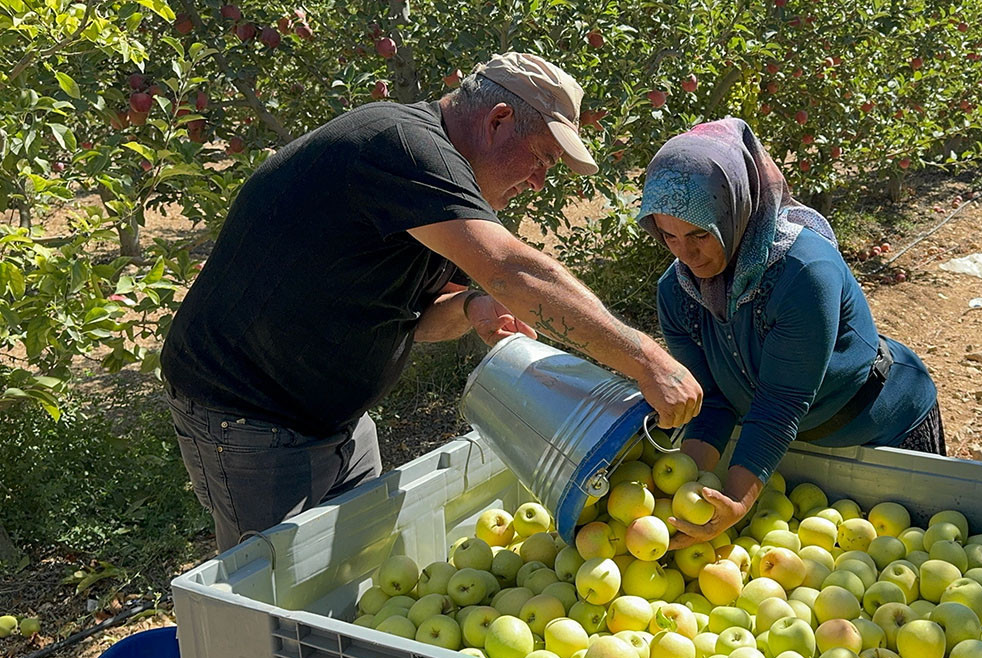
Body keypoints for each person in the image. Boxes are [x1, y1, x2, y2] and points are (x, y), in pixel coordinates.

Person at [160, 52, 702, 551]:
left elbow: (410, 320)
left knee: (359, 573)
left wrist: (469, 308)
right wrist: (647, 360)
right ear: (497, 121)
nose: (538, 182)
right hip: (251, 418)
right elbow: (515, 272)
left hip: (336, 419)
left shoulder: (434, 195)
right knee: (277, 615)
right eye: (540, 159)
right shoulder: (400, 145)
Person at [636, 118, 943, 549]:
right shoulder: (679, 292)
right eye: (668, 236)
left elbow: (780, 403)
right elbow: (713, 400)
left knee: (913, 551)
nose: (685, 254)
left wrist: (737, 502)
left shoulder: (802, 271)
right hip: (789, 447)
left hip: (879, 430)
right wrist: (680, 496)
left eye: (700, 234)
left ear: (736, 210)